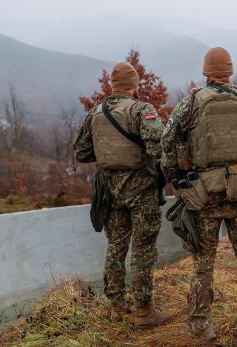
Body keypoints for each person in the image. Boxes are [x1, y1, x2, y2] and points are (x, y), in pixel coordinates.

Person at [161, 47, 237, 340]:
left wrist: (180, 183)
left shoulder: (189, 103)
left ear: (206, 72)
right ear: (230, 71)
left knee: (203, 265)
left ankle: (202, 327)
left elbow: (167, 145)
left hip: (204, 197)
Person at [73, 62, 171, 326]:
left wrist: (109, 154)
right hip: (141, 191)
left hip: (110, 192)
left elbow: (82, 153)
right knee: (143, 249)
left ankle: (117, 306)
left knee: (115, 247)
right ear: (134, 85)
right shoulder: (142, 110)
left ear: (112, 85)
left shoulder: (95, 113)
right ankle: (144, 311)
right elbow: (156, 149)